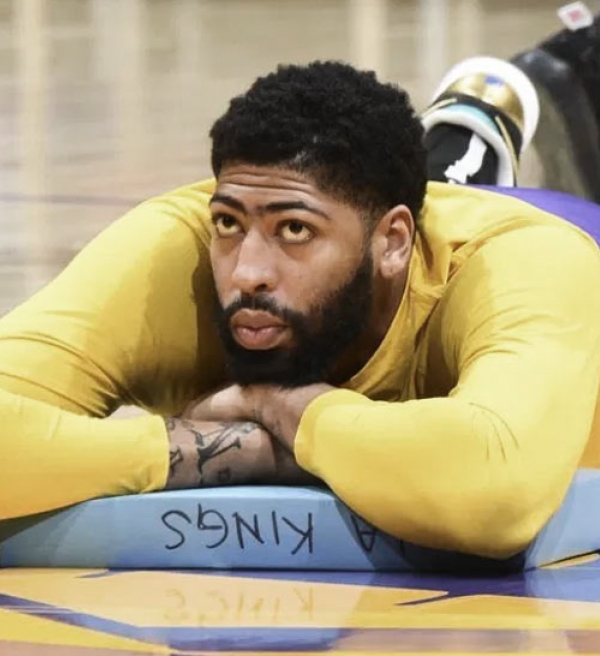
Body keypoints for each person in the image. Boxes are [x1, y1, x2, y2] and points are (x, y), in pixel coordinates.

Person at [2, 4, 600, 562]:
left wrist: (281, 409)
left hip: (562, 230)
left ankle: (477, 131)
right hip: (389, 234)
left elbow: (497, 493)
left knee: (469, 206)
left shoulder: (526, 260)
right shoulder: (175, 250)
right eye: (229, 223)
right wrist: (206, 449)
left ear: (395, 241)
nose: (247, 272)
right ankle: (458, 139)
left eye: (294, 230)